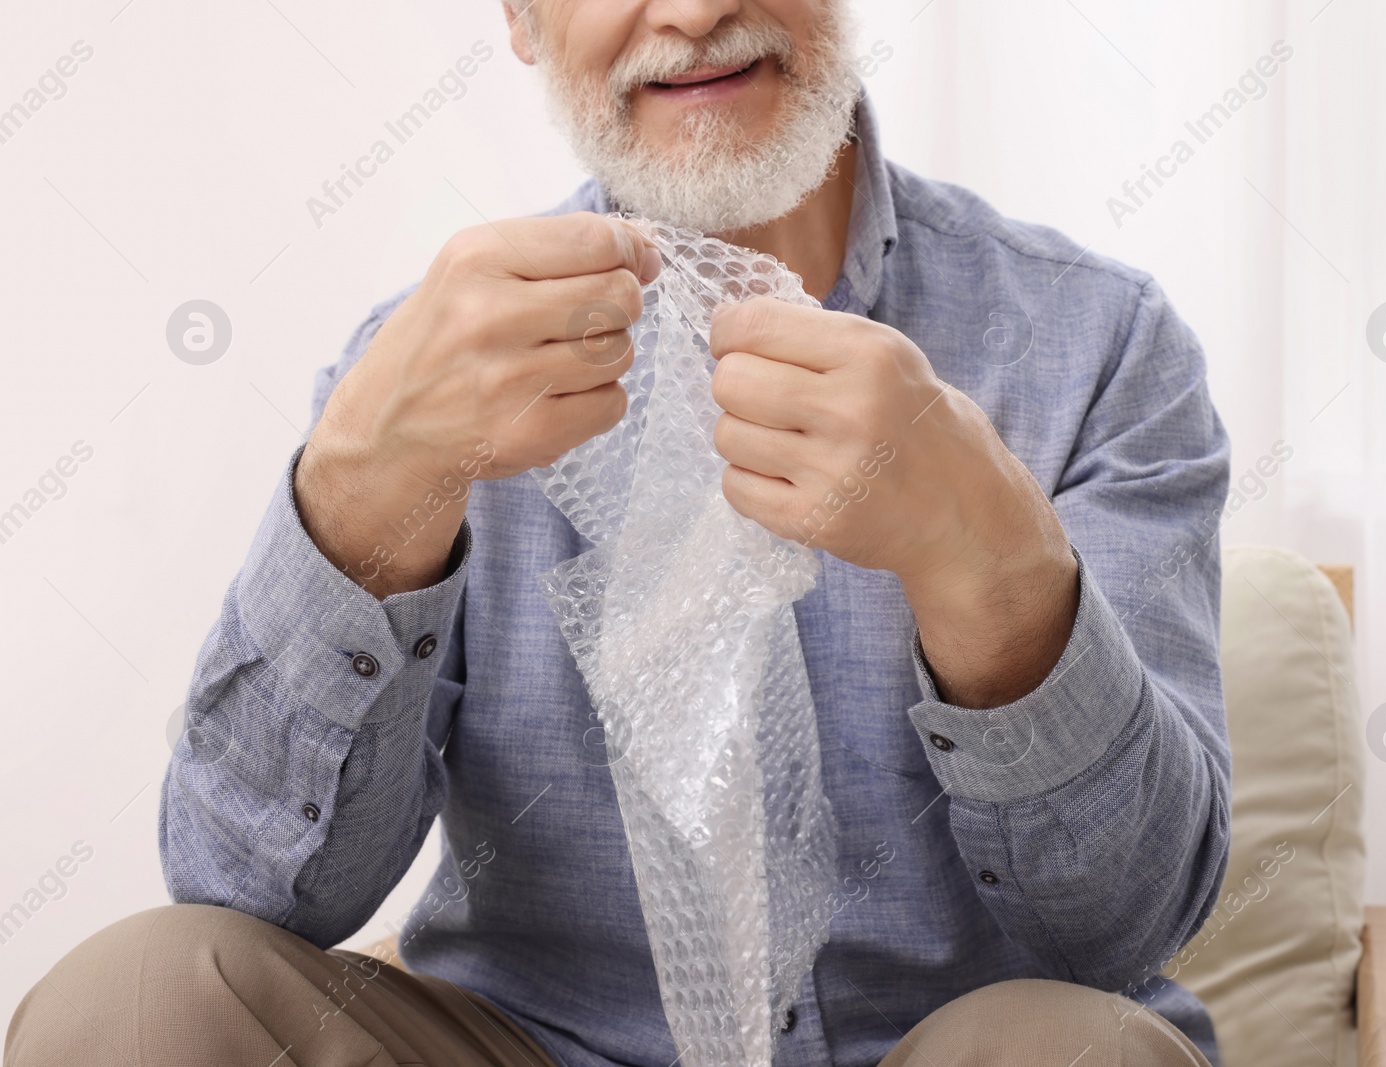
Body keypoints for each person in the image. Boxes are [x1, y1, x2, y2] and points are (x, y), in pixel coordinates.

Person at [6, 1, 1233, 1064]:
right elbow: (247, 888)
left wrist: (987, 556)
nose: (693, 13)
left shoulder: (1099, 346)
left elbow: (1123, 928)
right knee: (137, 1001)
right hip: (530, 1043)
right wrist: (363, 493)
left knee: (1063, 1048)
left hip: (946, 1045)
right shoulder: (433, 368)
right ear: (521, 17)